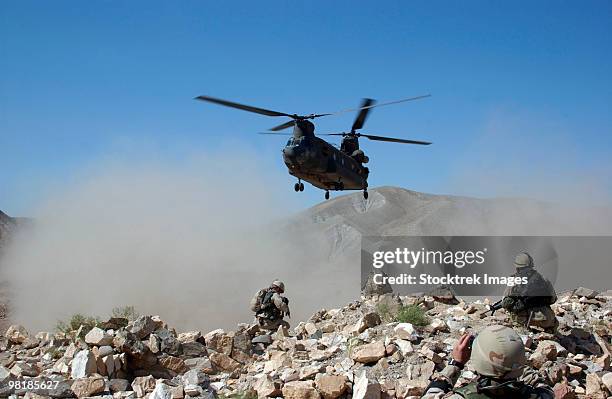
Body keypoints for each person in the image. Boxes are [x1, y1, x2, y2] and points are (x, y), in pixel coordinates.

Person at [421, 325, 554, 398]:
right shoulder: (535, 395)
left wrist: (456, 364)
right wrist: (515, 364)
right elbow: (545, 389)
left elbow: (430, 396)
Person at [500, 252, 558, 331]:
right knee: (553, 321)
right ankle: (550, 330)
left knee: (513, 310)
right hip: (545, 318)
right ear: (531, 265)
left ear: (517, 267)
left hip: (522, 319)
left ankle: (522, 330)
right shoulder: (543, 278)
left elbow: (505, 302)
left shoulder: (513, 280)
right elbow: (553, 299)